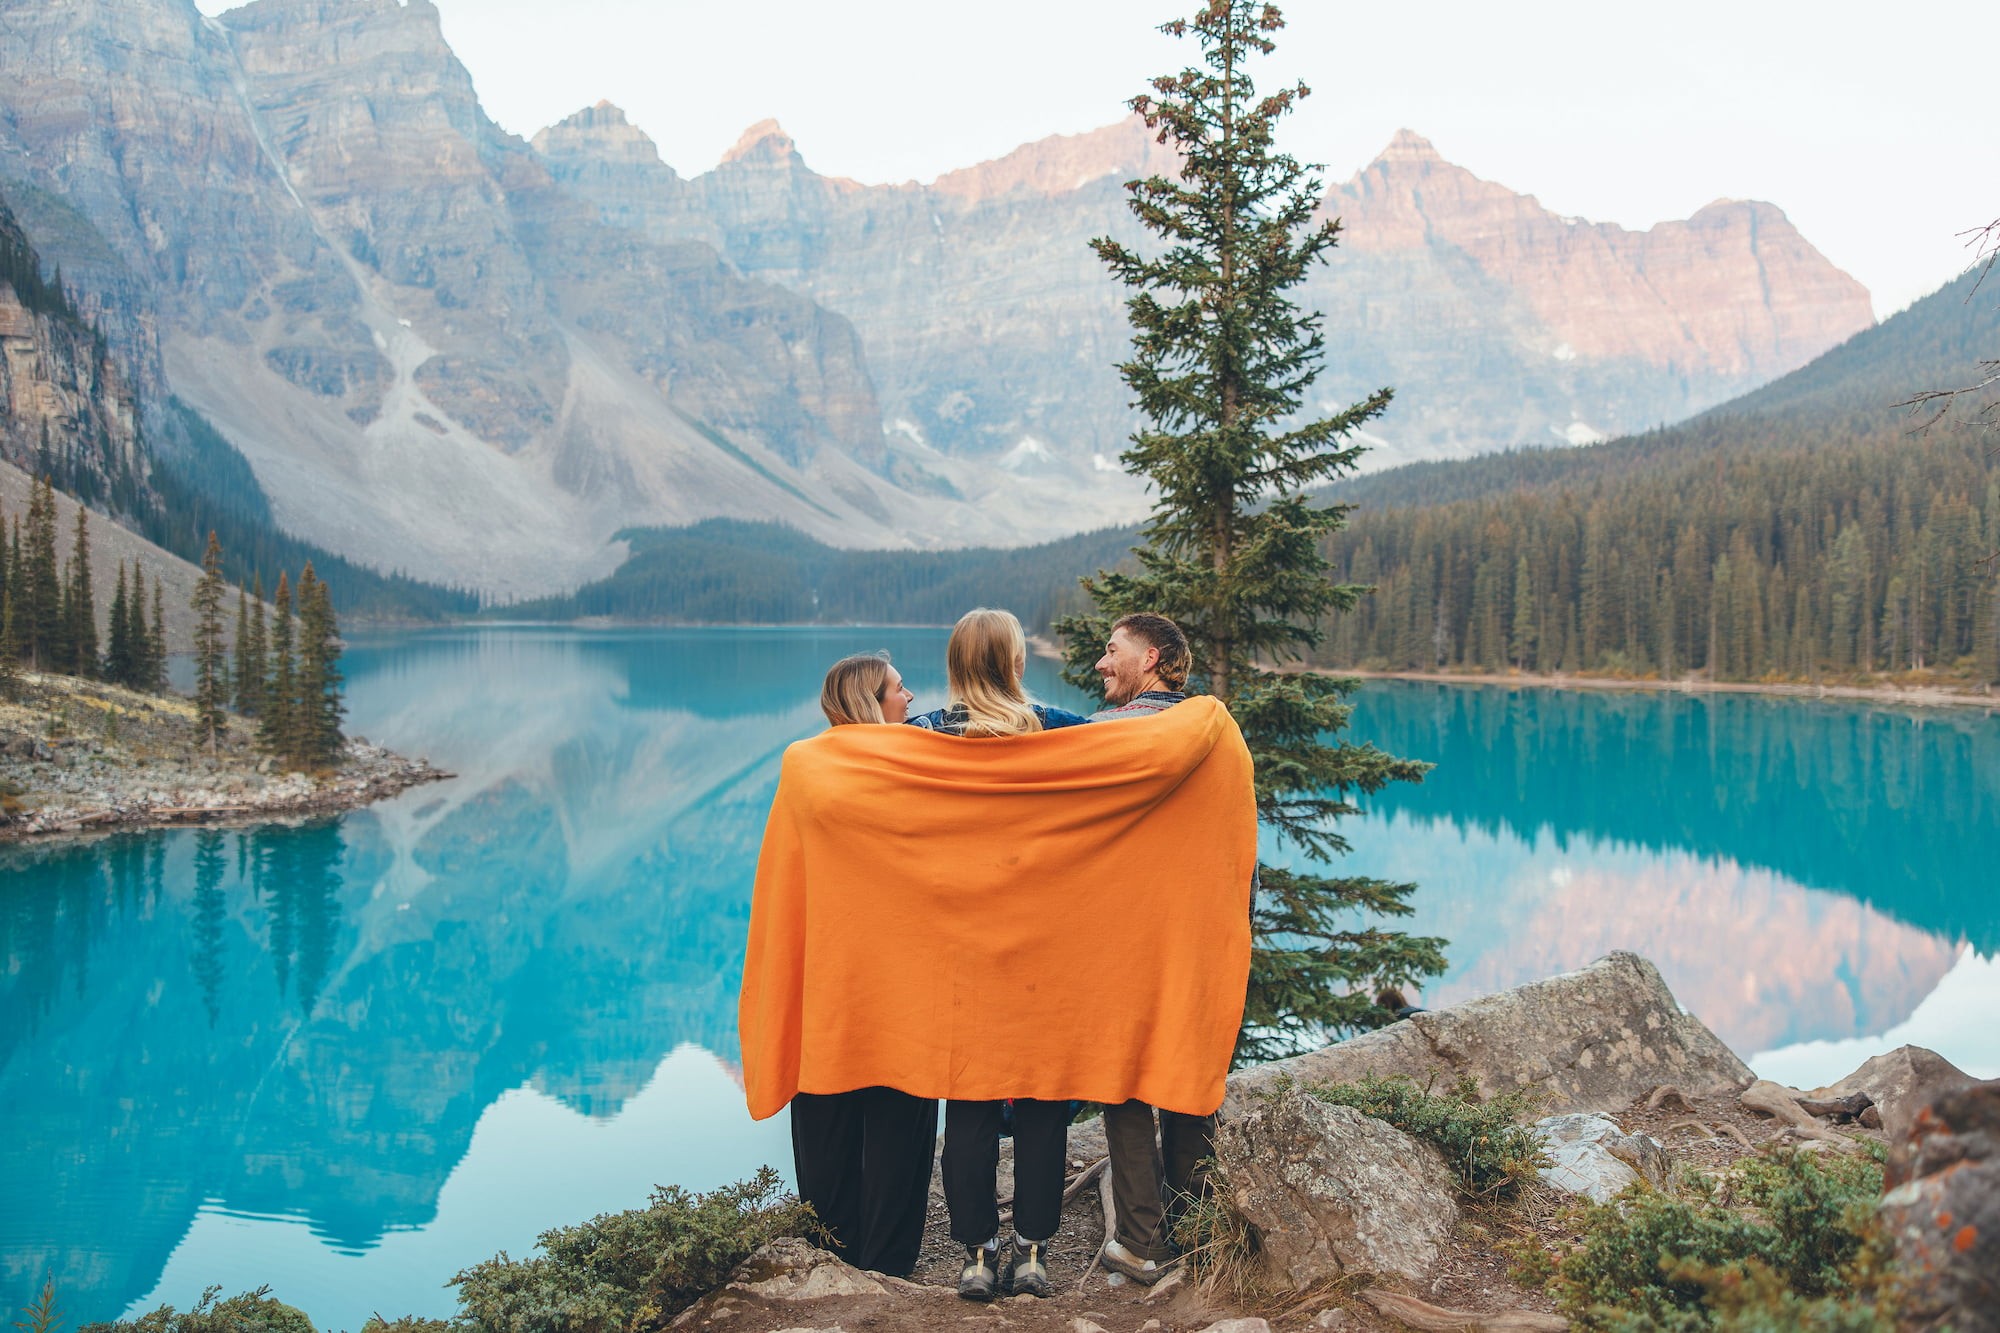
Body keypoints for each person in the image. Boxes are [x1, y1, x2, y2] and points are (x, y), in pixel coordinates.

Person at [906, 608, 1087, 1301]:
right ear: (1015, 663)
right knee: (1043, 1096)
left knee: (971, 1101)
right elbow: (1137, 751)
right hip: (1043, 940)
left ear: (955, 666)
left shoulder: (922, 737)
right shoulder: (1058, 728)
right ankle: (1034, 1251)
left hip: (961, 944)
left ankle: (978, 1255)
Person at [783, 652, 933, 1275]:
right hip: (898, 975)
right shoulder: (919, 764)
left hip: (829, 973)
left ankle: (830, 1254)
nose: (910, 696)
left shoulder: (804, 763)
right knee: (898, 1119)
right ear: (873, 701)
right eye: (900, 689)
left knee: (826, 1116)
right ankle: (889, 1263)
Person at [1087, 612, 1217, 1284]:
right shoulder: (1218, 733)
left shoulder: (1102, 735)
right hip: (1195, 941)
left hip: (1118, 942)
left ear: (1154, 657)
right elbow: (1239, 850)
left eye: (1113, 651)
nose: (1101, 663)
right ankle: (1196, 1232)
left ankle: (1139, 1240)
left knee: (1126, 1083)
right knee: (1187, 1078)